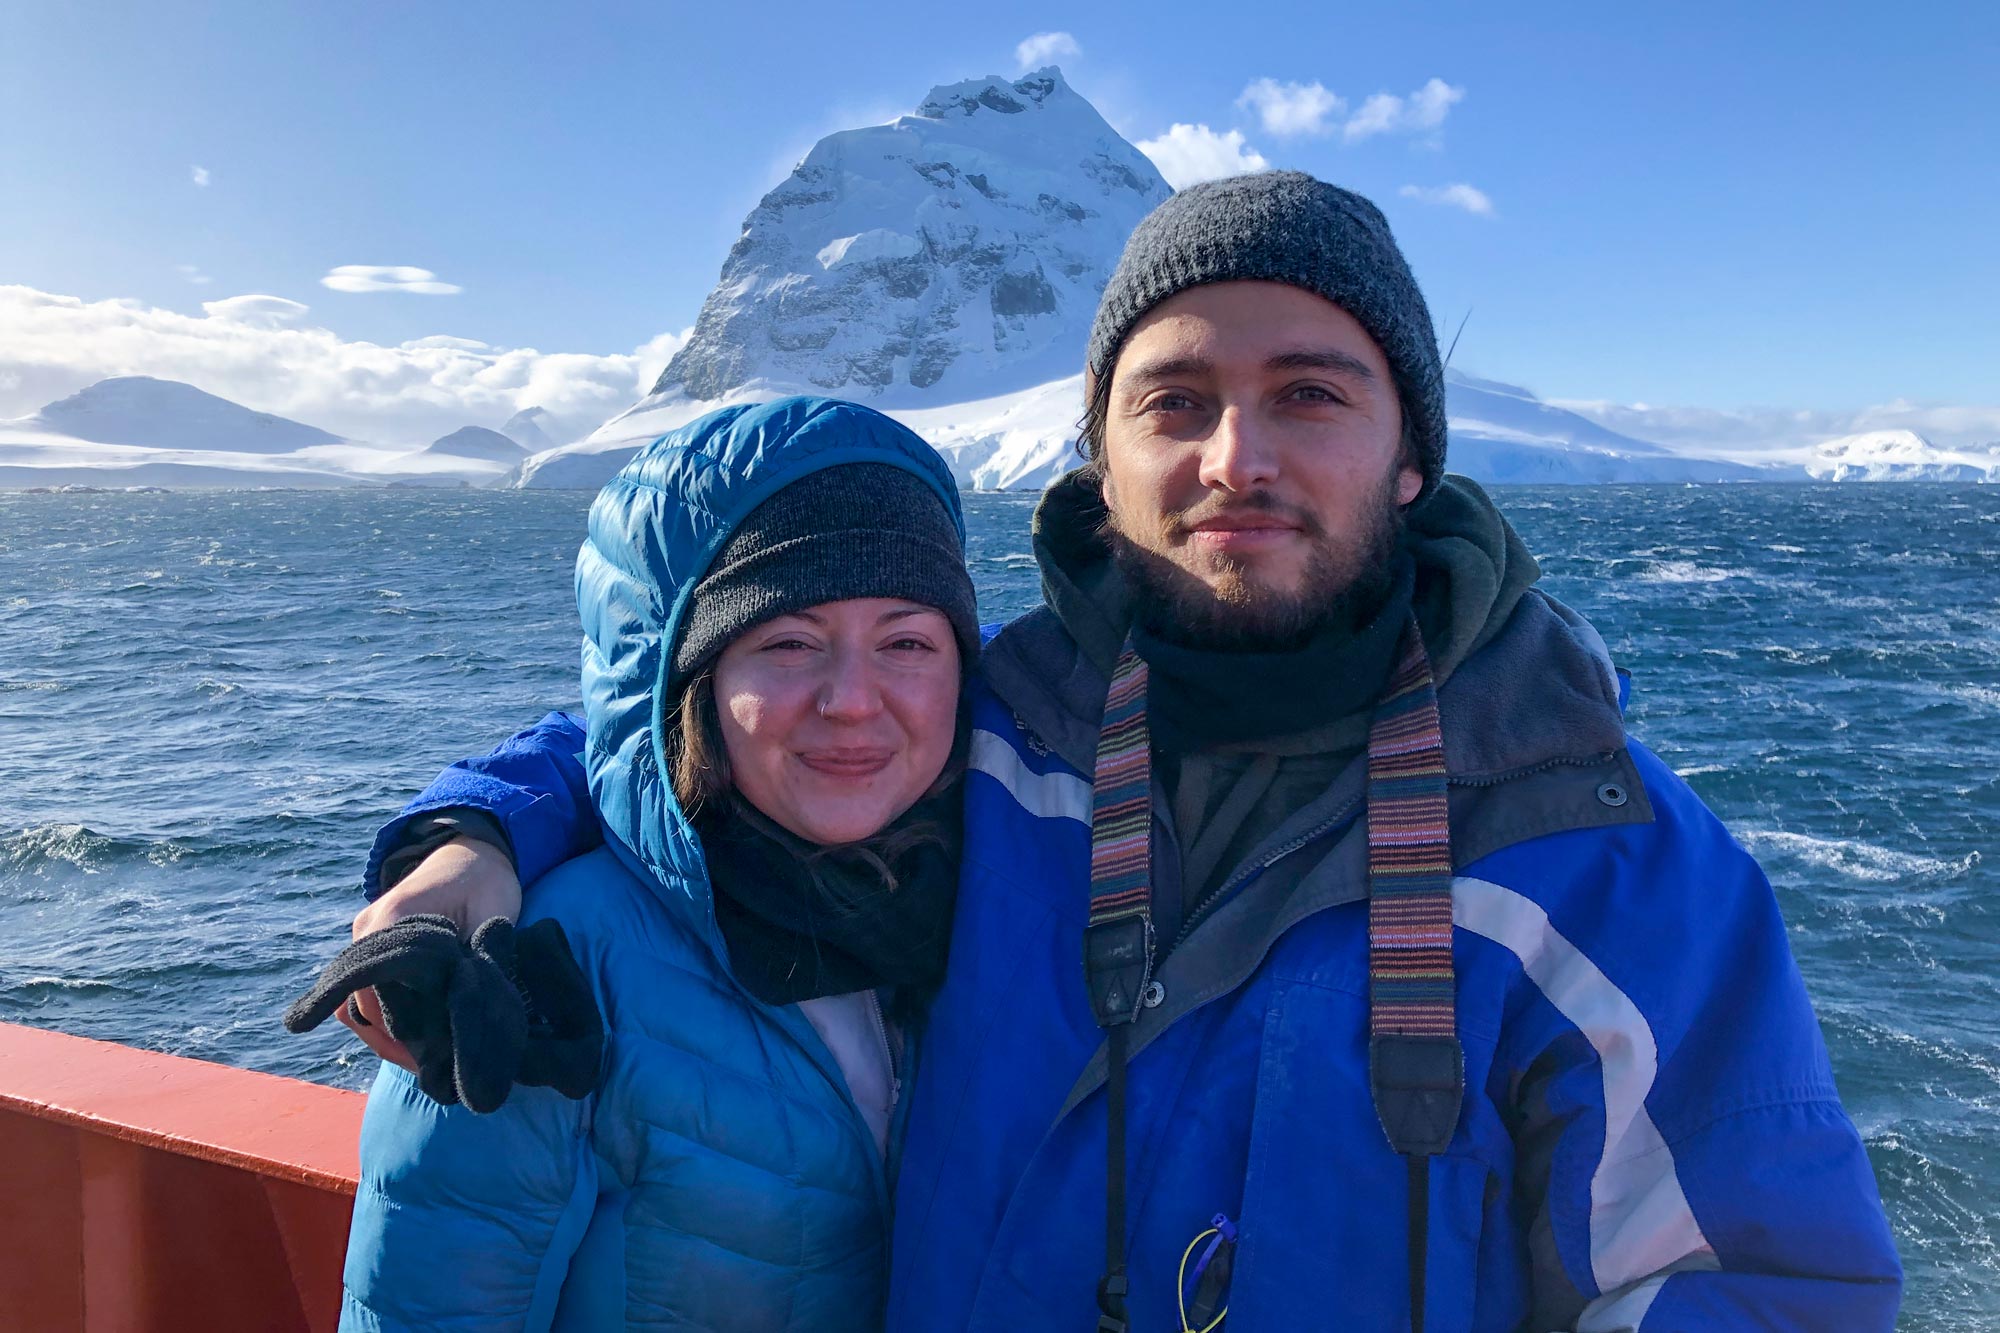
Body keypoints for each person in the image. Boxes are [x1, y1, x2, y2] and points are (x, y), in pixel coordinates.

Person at [345, 174, 1902, 1330]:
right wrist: (467, 836)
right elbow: (696, 738)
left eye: (1310, 393)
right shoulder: (999, 733)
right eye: (1178, 401)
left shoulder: (1591, 843)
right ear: (1101, 457)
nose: (1240, 458)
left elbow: (1749, 1282)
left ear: (1412, 449)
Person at [303, 397, 982, 1330]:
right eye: (788, 642)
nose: (853, 700)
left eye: (907, 641)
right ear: (691, 681)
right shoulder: (542, 972)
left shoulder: (1000, 898)